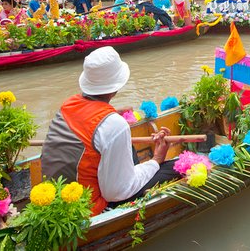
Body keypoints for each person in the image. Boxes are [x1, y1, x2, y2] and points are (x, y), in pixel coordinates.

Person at [41, 46, 178, 215]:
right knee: (175, 167)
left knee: (128, 148)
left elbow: (91, 120)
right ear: (116, 87)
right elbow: (116, 192)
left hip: (56, 194)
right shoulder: (114, 125)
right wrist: (156, 160)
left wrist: (112, 114)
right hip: (89, 209)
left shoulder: (68, 104)